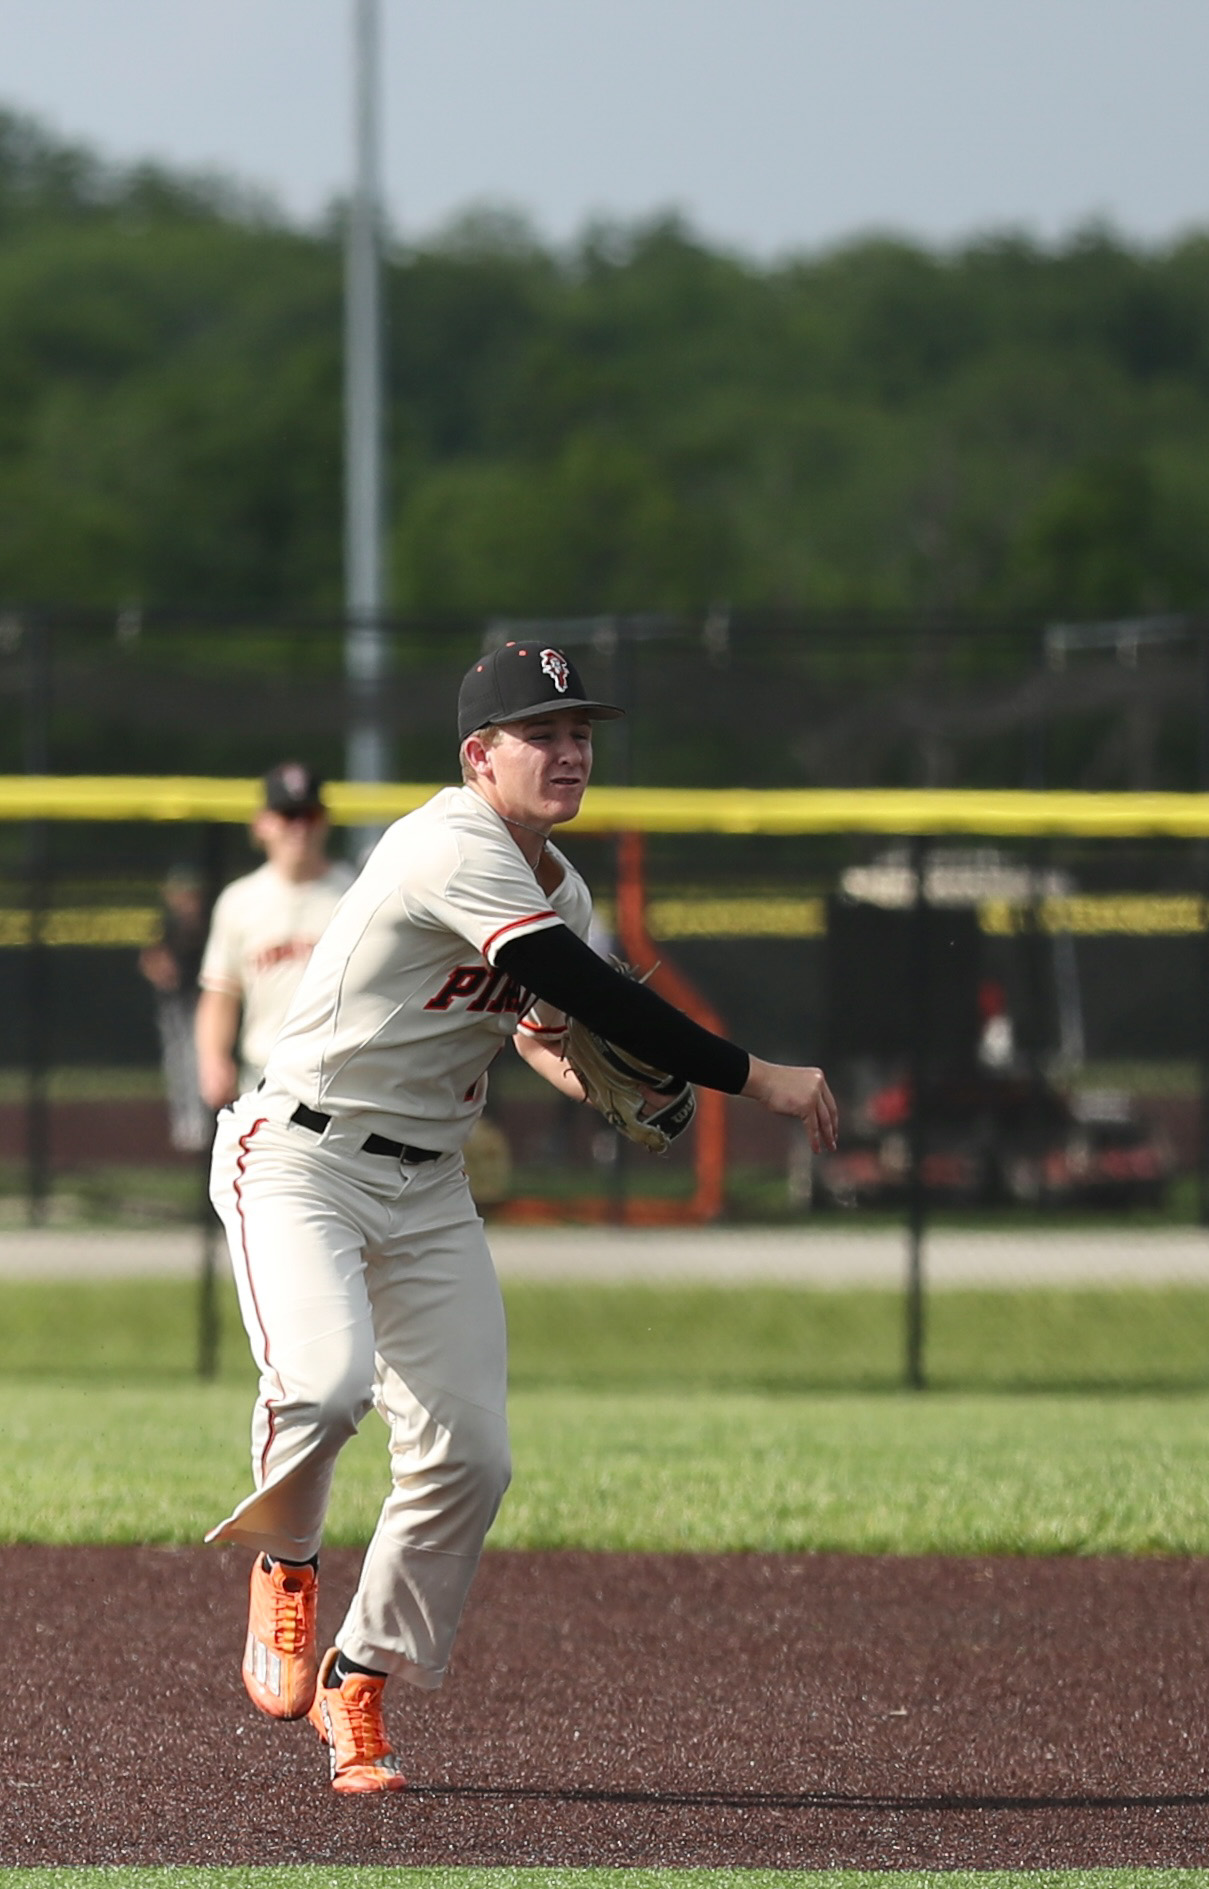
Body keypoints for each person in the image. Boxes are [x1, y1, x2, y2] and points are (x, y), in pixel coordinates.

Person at [208, 641, 837, 1794]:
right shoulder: (449, 841)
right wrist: (758, 1078)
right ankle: (287, 1560)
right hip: (301, 1159)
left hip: (428, 1185)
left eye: (579, 732)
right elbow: (586, 987)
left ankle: (359, 1675)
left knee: (471, 1455)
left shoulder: (563, 890)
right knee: (324, 1385)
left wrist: (590, 1082)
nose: (569, 751)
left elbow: (544, 1027)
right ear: (477, 757)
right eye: (540, 734)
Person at [194, 763, 355, 1113]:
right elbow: (221, 992)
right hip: (265, 1077)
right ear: (262, 824)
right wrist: (213, 1059)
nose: (299, 827)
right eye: (288, 815)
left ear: (325, 822)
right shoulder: (239, 901)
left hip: (342, 1080)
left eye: (309, 816)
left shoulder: (357, 894)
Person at [137, 865, 212, 1153]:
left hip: (200, 1002)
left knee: (195, 1061)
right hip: (174, 1001)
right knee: (177, 1061)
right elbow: (150, 959)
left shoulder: (206, 924)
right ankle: (185, 1123)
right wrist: (161, 970)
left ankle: (199, 1124)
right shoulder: (168, 925)